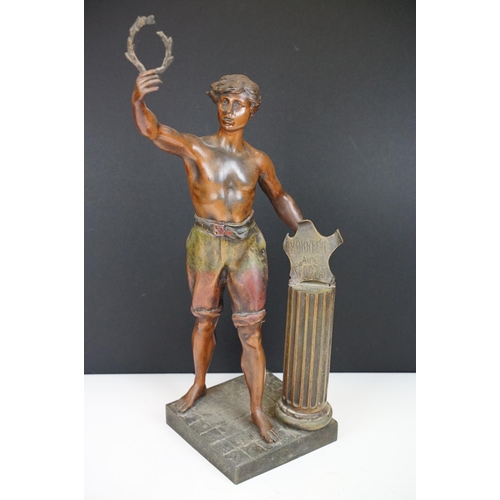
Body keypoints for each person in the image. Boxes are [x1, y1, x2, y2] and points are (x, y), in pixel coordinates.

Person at [132, 71, 303, 443]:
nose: (229, 110)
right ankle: (198, 384)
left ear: (252, 110)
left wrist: (304, 229)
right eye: (224, 102)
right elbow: (153, 131)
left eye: (238, 104)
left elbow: (279, 196)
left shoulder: (258, 160)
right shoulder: (196, 148)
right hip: (206, 244)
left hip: (246, 247)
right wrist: (138, 101)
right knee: (204, 321)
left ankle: (256, 409)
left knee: (251, 332)